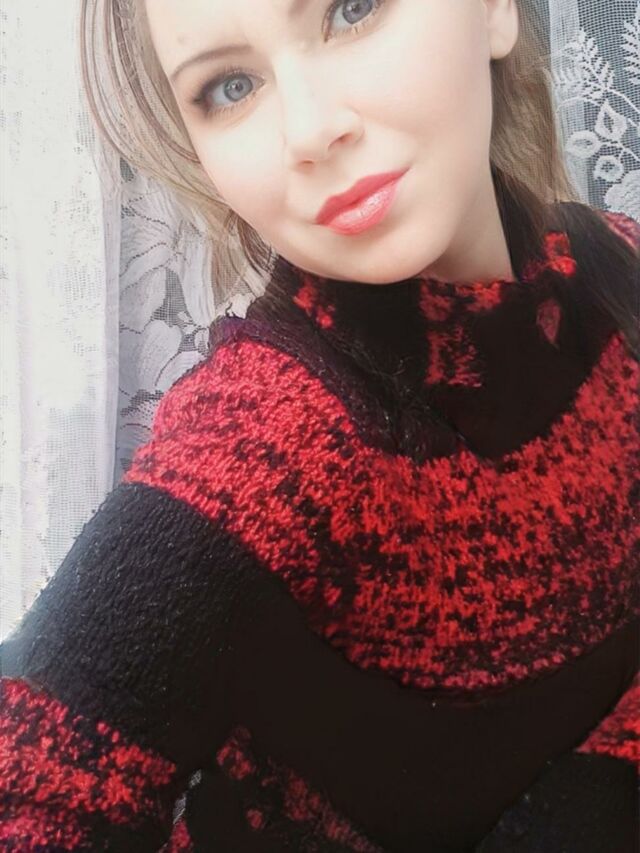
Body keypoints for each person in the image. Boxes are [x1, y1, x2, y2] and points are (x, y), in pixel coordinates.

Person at [1, 0, 638, 850]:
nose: (309, 130)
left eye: (353, 9)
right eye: (231, 87)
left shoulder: (617, 268)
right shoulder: (261, 445)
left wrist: (593, 795)